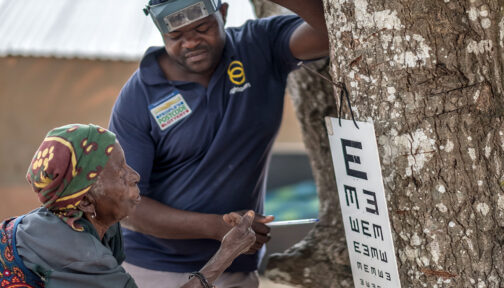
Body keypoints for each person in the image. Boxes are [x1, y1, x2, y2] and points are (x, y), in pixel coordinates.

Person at [108, 0, 329, 286]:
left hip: (235, 269)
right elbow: (124, 206)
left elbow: (336, 32)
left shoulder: (258, 47)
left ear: (223, 13)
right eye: (176, 36)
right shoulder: (139, 97)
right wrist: (215, 227)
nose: (190, 43)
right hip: (152, 269)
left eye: (202, 28)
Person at [0, 124, 256, 288]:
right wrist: (226, 255)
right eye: (120, 172)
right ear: (87, 201)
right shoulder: (79, 254)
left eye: (127, 164)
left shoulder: (97, 225)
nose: (135, 176)